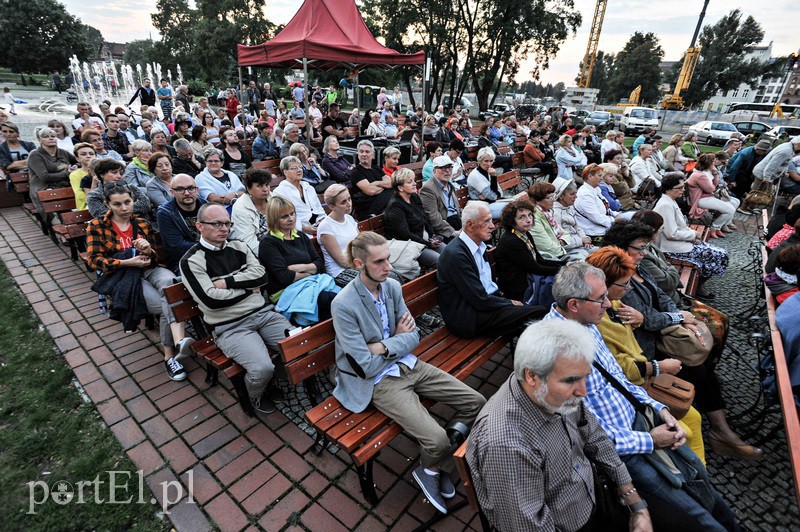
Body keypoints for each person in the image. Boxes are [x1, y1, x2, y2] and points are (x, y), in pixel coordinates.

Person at [543, 262, 742, 531]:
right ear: (574, 304)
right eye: (600, 298)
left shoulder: (587, 323)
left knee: (707, 491)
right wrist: (649, 440)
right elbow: (582, 436)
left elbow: (620, 381)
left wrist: (658, 409)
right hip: (622, 454)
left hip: (641, 422)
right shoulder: (554, 353)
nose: (608, 302)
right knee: (696, 518)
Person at [330, 231, 486, 514]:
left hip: (408, 364)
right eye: (378, 262)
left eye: (388, 259)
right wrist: (396, 343)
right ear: (358, 264)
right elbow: (364, 365)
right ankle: (434, 465)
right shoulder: (343, 304)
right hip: (377, 381)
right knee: (437, 440)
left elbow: (415, 336)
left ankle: (435, 465)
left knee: (476, 403)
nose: (388, 267)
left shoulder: (391, 286)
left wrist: (382, 346)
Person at [467, 319, 652, 532]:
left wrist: (631, 497)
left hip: (595, 498)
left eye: (585, 377)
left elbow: (593, 435)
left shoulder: (551, 391)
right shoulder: (507, 444)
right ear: (532, 376)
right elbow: (529, 527)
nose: (583, 391)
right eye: (571, 380)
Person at [601, 220, 759, 463]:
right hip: (647, 345)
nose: (643, 253)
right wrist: (676, 317)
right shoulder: (621, 278)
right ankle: (719, 430)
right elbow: (648, 320)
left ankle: (718, 424)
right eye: (640, 248)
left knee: (706, 350)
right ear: (622, 247)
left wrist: (681, 317)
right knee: (697, 368)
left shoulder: (637, 267)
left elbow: (661, 296)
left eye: (645, 247)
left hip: (661, 332)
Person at [586, 247, 706, 463]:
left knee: (694, 415)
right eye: (624, 284)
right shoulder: (598, 318)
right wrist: (659, 367)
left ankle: (700, 473)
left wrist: (640, 320)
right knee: (684, 431)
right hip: (635, 386)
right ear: (604, 285)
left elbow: (658, 300)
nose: (629, 288)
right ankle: (692, 479)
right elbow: (622, 369)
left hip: (642, 379)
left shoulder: (616, 304)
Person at [181, 204, 291, 415]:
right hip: (230, 326)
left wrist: (228, 282)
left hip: (264, 315)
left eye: (227, 223)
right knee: (262, 369)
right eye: (216, 224)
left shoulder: (239, 246)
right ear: (199, 226)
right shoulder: (191, 261)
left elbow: (262, 276)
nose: (224, 228)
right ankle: (256, 394)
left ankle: (273, 379)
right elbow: (210, 300)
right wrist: (249, 291)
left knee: (296, 347)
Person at [87, 182, 194, 381]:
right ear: (107, 204)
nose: (124, 208)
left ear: (133, 200)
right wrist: (126, 261)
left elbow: (154, 258)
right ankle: (170, 356)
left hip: (149, 270)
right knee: (166, 306)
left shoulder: (141, 223)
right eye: (117, 204)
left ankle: (180, 342)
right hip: (124, 276)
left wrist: (147, 251)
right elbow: (94, 261)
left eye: (127, 202)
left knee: (172, 285)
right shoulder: (97, 226)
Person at [437, 201, 547, 338]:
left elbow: (486, 288)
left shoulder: (478, 246)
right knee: (540, 313)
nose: (493, 226)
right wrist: (509, 302)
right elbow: (479, 299)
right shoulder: (456, 255)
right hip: (469, 317)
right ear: (470, 225)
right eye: (487, 221)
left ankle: (533, 354)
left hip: (486, 304)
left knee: (534, 316)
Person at [258, 195, 337, 323]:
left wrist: (302, 268)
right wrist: (312, 270)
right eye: (284, 216)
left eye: (292, 213)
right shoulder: (268, 243)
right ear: (274, 219)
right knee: (331, 299)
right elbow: (285, 277)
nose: (291, 218)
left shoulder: (300, 236)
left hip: (312, 284)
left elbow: (320, 265)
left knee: (340, 297)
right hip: (285, 293)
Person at [653, 173, 729, 296]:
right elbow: (671, 234)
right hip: (669, 248)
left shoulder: (669, 200)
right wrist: (693, 235)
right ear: (669, 189)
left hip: (678, 242)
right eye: (680, 188)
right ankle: (696, 287)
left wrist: (692, 236)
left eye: (683, 187)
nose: (683, 190)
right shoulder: (665, 205)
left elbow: (678, 227)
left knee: (720, 253)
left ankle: (698, 283)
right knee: (719, 255)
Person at [495, 199, 562, 302]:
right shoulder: (511, 241)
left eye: (530, 215)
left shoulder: (525, 234)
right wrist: (562, 270)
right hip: (521, 289)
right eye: (522, 217)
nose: (529, 220)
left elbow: (539, 260)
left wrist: (564, 264)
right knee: (560, 283)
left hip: (530, 278)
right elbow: (534, 268)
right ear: (511, 220)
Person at [384, 168, 442, 269]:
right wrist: (428, 243)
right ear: (401, 188)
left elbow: (426, 219)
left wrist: (433, 235)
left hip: (426, 240)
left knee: (451, 254)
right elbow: (405, 234)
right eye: (410, 182)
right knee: (442, 262)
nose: (414, 183)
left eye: (414, 180)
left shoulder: (414, 197)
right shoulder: (396, 206)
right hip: (412, 246)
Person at [156, 174, 205, 274]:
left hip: (212, 255)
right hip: (184, 261)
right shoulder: (165, 213)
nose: (186, 193)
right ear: (172, 192)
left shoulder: (205, 205)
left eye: (191, 188)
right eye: (180, 189)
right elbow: (177, 247)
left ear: (197, 189)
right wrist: (210, 246)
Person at [27, 127, 77, 219]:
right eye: (46, 137)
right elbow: (45, 177)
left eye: (53, 136)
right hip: (44, 188)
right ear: (39, 140)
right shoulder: (35, 155)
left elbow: (77, 162)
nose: (51, 138)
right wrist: (68, 174)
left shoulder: (63, 152)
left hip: (65, 186)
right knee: (60, 201)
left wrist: (76, 166)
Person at [317, 184, 361, 286]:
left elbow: (361, 244)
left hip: (357, 263)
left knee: (391, 274)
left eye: (349, 199)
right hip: (339, 272)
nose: (349, 204)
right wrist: (364, 266)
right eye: (343, 202)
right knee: (373, 279)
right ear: (332, 206)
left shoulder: (349, 219)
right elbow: (342, 262)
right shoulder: (326, 227)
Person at [686, 153, 739, 237]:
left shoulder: (703, 173)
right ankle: (714, 228)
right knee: (730, 210)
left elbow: (713, 187)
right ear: (709, 164)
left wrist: (714, 174)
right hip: (700, 200)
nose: (714, 164)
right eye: (713, 162)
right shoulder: (700, 176)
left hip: (706, 197)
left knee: (733, 204)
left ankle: (720, 226)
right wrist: (715, 173)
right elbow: (712, 189)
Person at [420, 155, 462, 243]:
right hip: (444, 228)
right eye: (443, 168)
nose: (447, 171)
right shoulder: (428, 189)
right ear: (435, 171)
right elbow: (433, 218)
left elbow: (458, 209)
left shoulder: (450, 185)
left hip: (457, 222)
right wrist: (453, 232)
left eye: (450, 167)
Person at [230, 168, 272, 253]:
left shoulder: (274, 198)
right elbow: (249, 243)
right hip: (258, 252)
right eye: (259, 186)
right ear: (248, 189)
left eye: (267, 185)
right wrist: (273, 255)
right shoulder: (240, 208)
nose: (265, 189)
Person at [552, 177, 593, 260]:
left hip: (579, 245)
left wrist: (584, 238)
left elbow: (577, 227)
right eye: (572, 194)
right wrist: (581, 241)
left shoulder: (569, 208)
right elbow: (559, 239)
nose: (576, 196)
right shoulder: (556, 213)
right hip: (569, 250)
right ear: (561, 196)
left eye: (575, 193)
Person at [351, 140, 393, 220]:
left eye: (367, 152)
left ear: (373, 154)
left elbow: (391, 183)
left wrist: (376, 183)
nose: (364, 154)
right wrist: (385, 185)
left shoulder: (376, 168)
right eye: (361, 151)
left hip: (384, 206)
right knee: (391, 191)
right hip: (368, 209)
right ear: (358, 154)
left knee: (393, 190)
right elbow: (371, 191)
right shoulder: (356, 172)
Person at [195, 147, 245, 213]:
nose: (213, 163)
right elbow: (212, 198)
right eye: (210, 161)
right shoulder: (200, 178)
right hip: (217, 212)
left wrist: (234, 195)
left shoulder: (231, 174)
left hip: (240, 208)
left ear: (222, 163)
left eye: (216, 161)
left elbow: (243, 192)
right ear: (205, 163)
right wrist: (234, 199)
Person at [574, 164, 616, 244]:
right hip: (594, 233)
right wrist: (615, 221)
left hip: (604, 227)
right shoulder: (584, 194)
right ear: (590, 176)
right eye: (599, 176)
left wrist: (616, 215)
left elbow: (607, 208)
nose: (601, 178)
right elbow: (596, 218)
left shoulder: (595, 189)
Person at [467, 147, 510, 218]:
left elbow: (500, 193)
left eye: (491, 161)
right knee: (513, 209)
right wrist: (493, 177)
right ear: (479, 161)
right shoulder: (476, 175)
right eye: (486, 161)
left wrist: (492, 195)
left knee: (517, 204)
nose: (489, 164)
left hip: (490, 203)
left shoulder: (488, 172)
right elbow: (493, 196)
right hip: (481, 209)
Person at [726, 139, 771, 206]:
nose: (765, 152)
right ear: (758, 149)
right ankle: (735, 201)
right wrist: (731, 180)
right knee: (740, 184)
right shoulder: (745, 153)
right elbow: (734, 167)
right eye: (764, 151)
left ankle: (740, 199)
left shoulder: (762, 154)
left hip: (747, 172)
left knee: (748, 183)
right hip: (736, 171)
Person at [69, 142, 95, 210]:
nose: (88, 156)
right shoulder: (75, 174)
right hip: (86, 207)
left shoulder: (101, 171)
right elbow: (79, 194)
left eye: (91, 154)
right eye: (83, 154)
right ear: (77, 159)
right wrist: (96, 202)